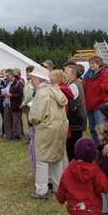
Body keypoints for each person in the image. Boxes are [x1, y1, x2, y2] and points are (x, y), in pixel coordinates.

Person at [28, 67, 68, 199]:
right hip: (60, 127)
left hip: (47, 128)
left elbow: (37, 114)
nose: (31, 82)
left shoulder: (42, 93)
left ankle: (41, 190)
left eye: (33, 80)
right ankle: (59, 187)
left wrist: (31, 119)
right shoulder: (55, 90)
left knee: (42, 159)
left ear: (40, 80)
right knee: (56, 157)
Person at [84, 56, 108, 147]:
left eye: (93, 63)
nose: (91, 65)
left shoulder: (104, 75)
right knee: (92, 129)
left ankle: (101, 150)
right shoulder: (89, 76)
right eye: (90, 63)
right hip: (90, 105)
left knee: (100, 130)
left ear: (99, 64)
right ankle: (95, 149)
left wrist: (101, 101)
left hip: (98, 107)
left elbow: (105, 90)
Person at [64, 65, 88, 160]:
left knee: (73, 146)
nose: (64, 75)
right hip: (76, 121)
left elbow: (68, 100)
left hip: (76, 121)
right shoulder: (71, 84)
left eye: (66, 73)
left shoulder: (73, 85)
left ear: (73, 75)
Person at [21, 65, 36, 173]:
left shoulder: (32, 83)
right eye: (26, 72)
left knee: (32, 122)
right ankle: (30, 137)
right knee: (28, 122)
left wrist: (24, 103)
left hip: (31, 105)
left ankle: (32, 137)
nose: (27, 74)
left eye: (29, 72)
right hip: (27, 105)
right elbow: (25, 94)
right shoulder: (27, 83)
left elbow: (30, 95)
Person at [4, 69, 24, 140]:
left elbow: (20, 94)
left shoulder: (18, 83)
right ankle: (9, 136)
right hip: (7, 103)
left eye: (8, 75)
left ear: (12, 75)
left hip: (15, 103)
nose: (7, 77)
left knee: (16, 120)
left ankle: (17, 135)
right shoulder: (6, 82)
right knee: (7, 120)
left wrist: (12, 95)